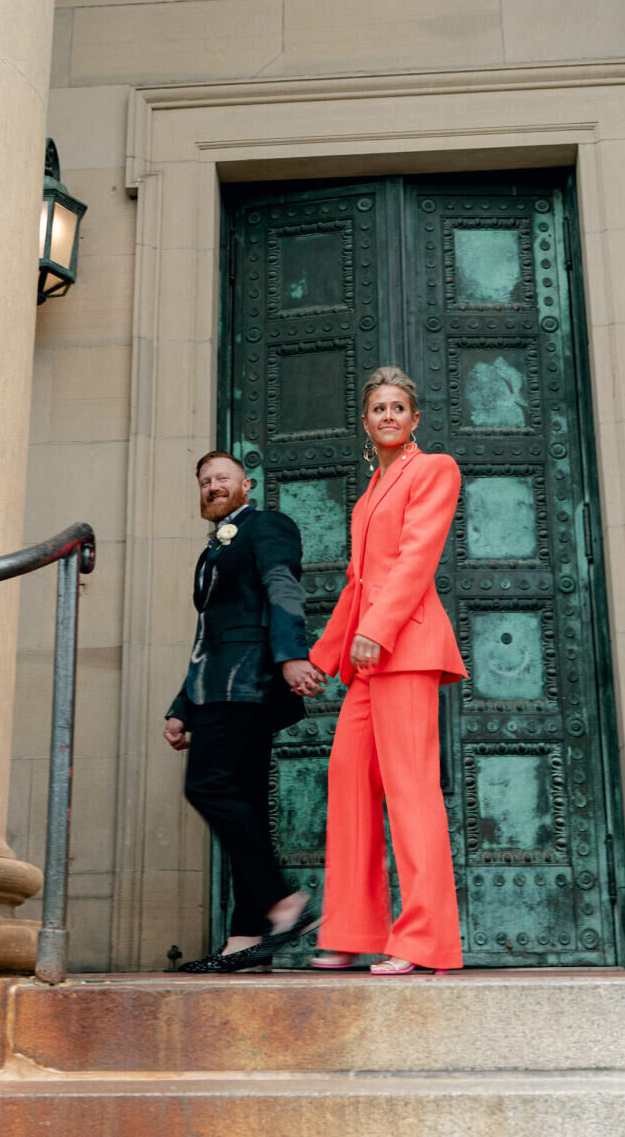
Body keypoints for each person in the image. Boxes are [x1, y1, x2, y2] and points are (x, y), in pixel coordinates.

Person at [304, 367, 466, 974]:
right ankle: (350, 930)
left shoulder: (434, 469)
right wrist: (319, 657)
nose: (389, 416)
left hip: (407, 649)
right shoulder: (370, 492)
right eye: (379, 409)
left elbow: (417, 558)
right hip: (367, 662)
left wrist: (375, 630)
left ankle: (424, 941)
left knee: (410, 790)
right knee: (348, 781)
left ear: (415, 419)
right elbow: (358, 583)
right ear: (366, 422)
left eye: (399, 407)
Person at [164, 450, 323, 972]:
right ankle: (246, 943)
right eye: (206, 481)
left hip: (246, 686)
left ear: (246, 484)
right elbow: (207, 635)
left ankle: (284, 902)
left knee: (206, 788)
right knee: (245, 808)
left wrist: (293, 655)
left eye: (223, 478)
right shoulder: (211, 551)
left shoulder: (267, 525)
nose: (213, 486)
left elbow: (283, 586)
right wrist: (182, 706)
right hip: (215, 690)